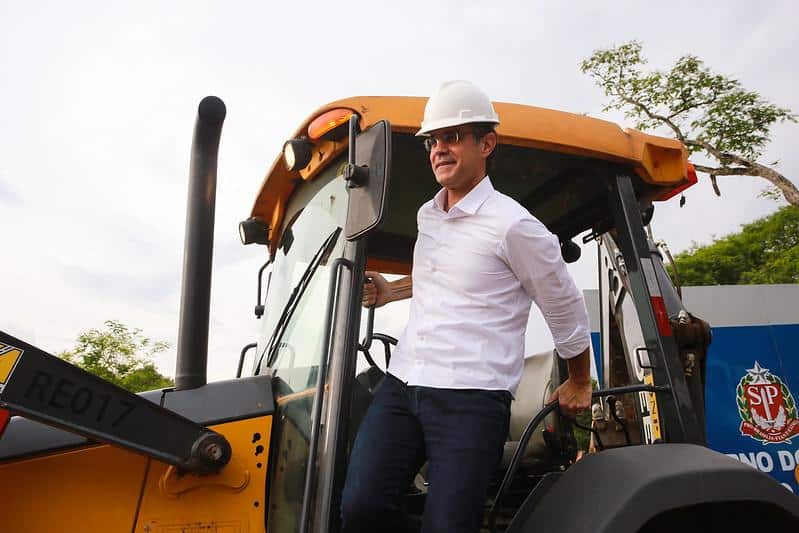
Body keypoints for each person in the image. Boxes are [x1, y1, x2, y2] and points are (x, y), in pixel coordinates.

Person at [340, 80, 592, 533]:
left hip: (470, 398)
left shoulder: (514, 225)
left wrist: (578, 379)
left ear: (487, 143)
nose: (439, 149)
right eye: (433, 141)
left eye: (453, 137)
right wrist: (391, 291)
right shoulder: (428, 214)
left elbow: (563, 304)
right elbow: (446, 277)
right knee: (361, 506)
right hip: (404, 382)